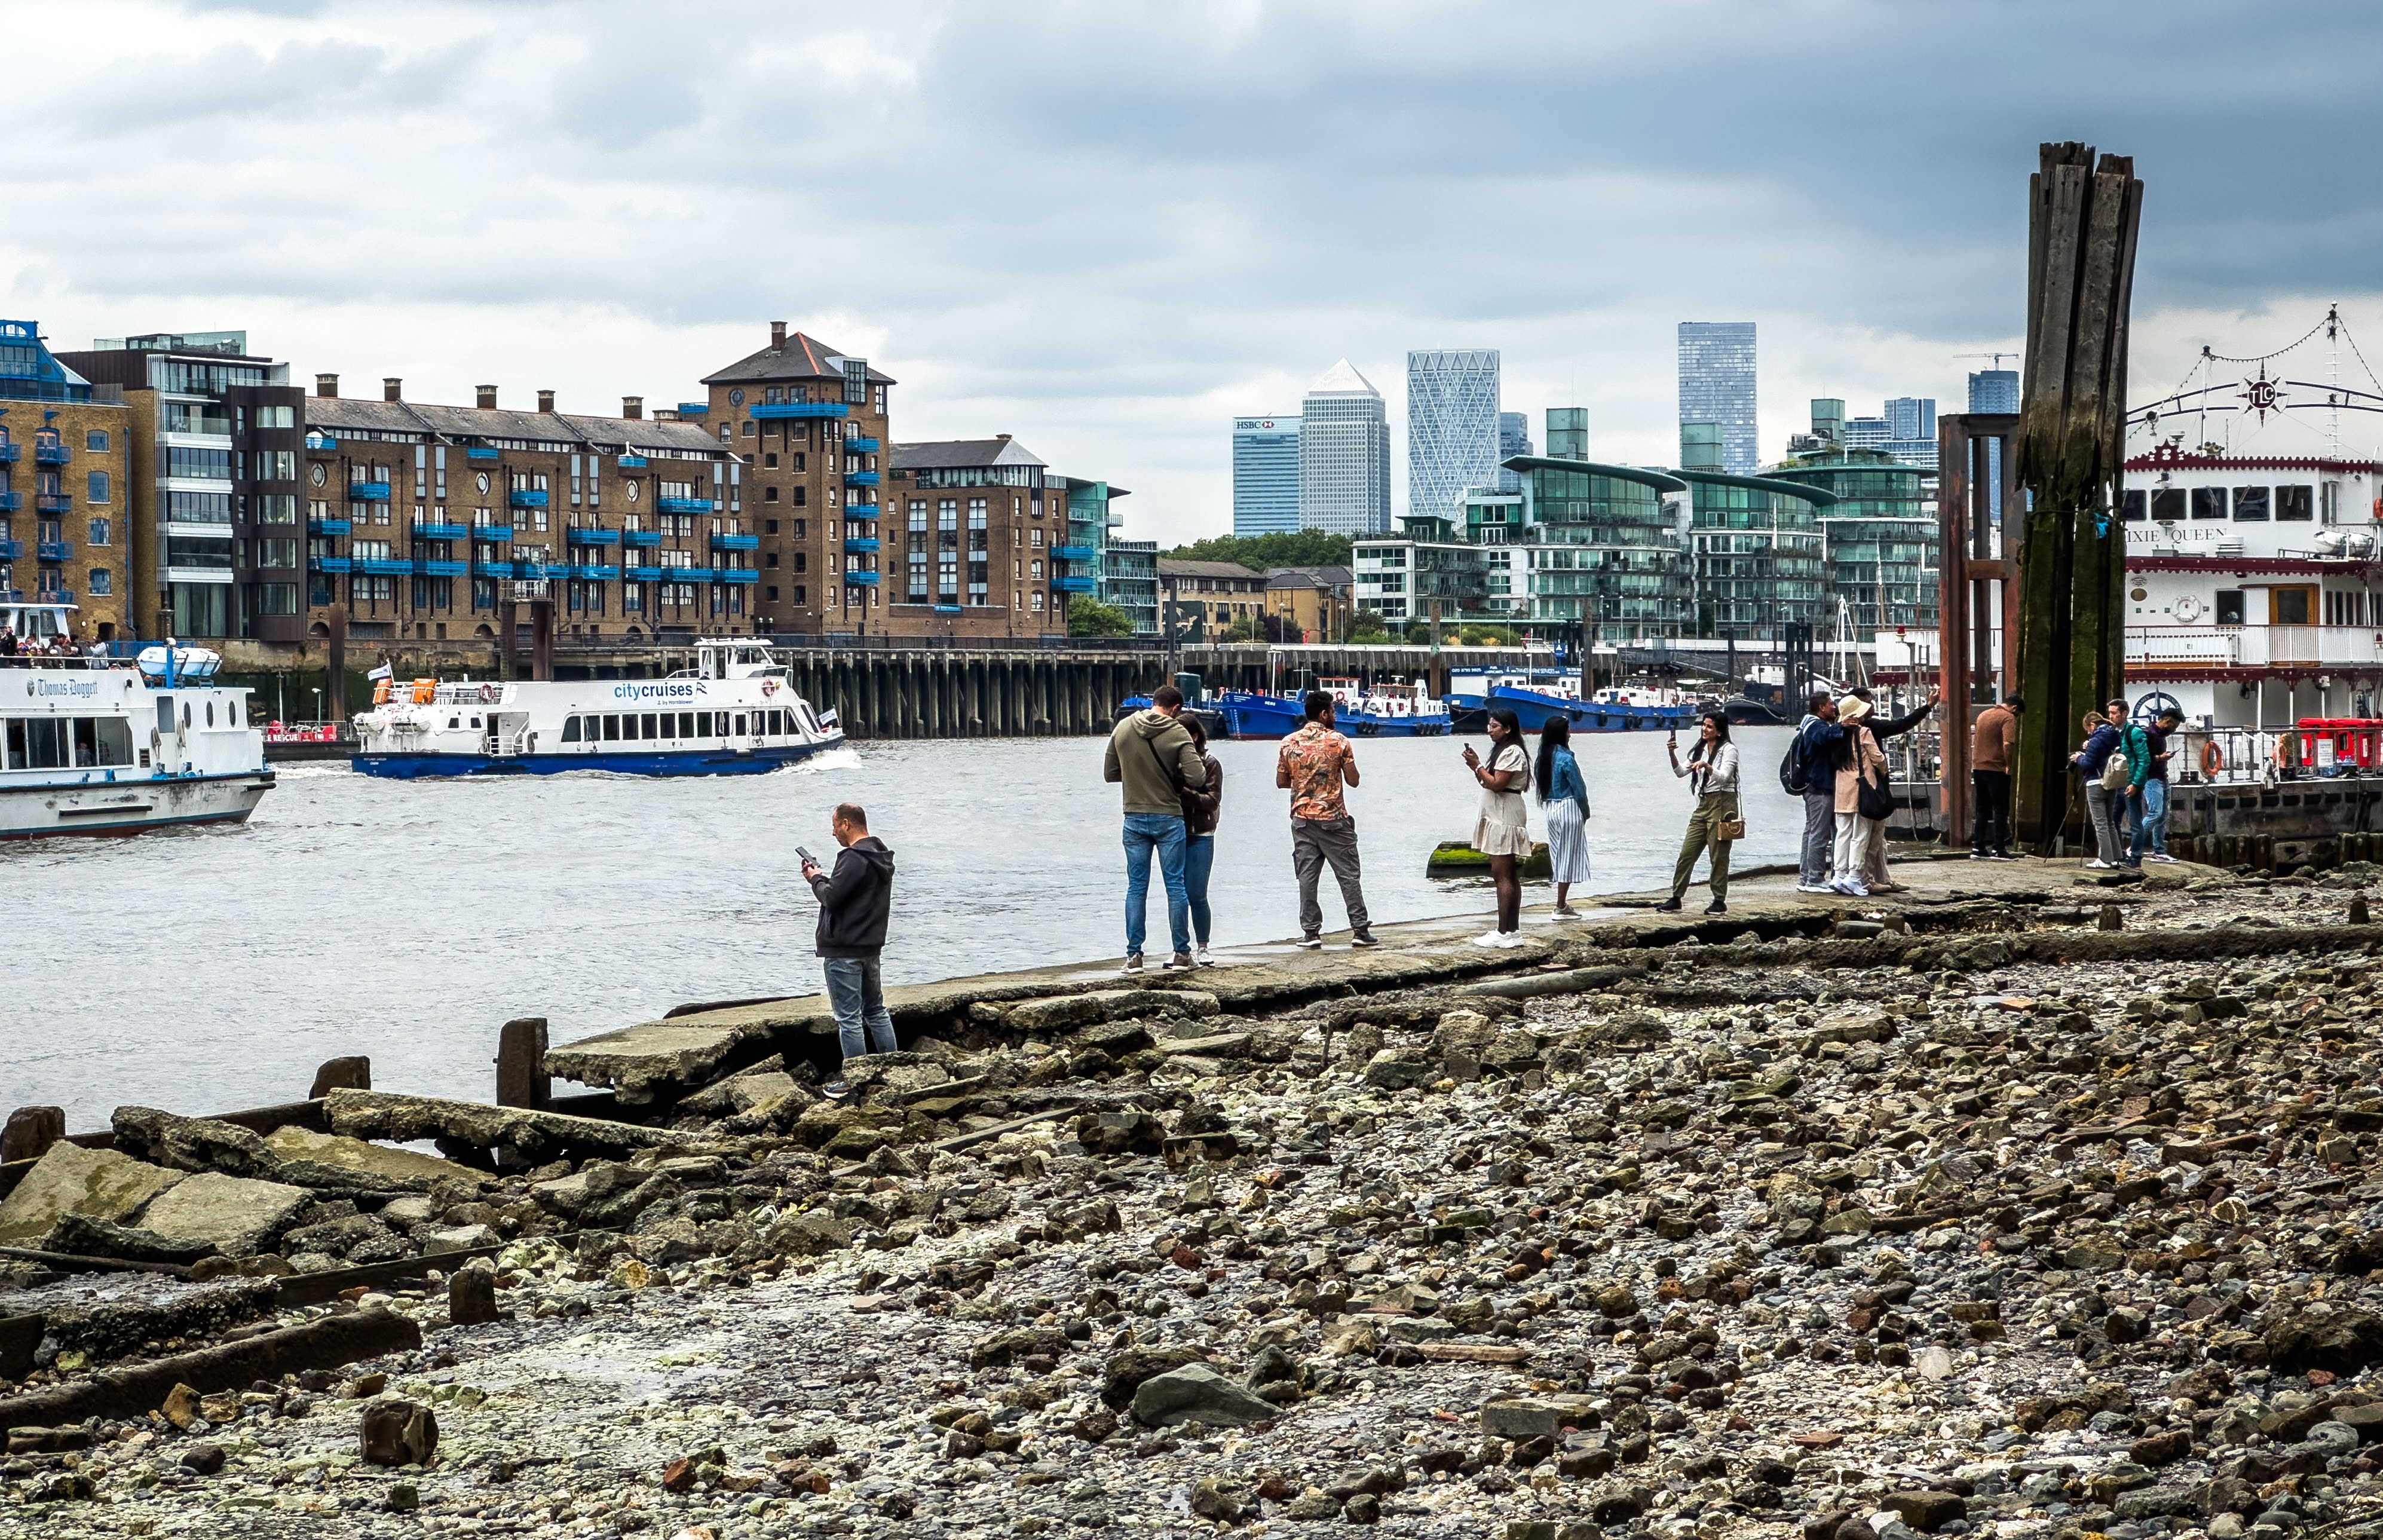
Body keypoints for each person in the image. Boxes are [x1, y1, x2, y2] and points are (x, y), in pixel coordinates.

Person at [1104, 684, 1209, 972]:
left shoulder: (1123, 728)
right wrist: (1172, 775)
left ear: (1154, 702)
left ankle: (1134, 956)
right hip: (1168, 817)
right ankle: (1182, 954)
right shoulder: (1177, 732)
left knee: (1136, 887)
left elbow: (1110, 773)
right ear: (1175, 709)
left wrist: (1138, 775)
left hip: (1134, 816)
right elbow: (1198, 778)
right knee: (1175, 885)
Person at [801, 803, 897, 1098]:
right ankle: (894, 1070)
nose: (833, 833)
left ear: (846, 824)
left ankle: (854, 1081)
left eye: (834, 826)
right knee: (876, 1011)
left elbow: (832, 898)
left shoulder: (853, 857)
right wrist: (825, 880)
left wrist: (815, 879)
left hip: (844, 950)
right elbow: (850, 893)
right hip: (870, 947)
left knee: (849, 1018)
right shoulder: (879, 855)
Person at [1276, 688, 1376, 951]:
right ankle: (1360, 929)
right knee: (1348, 875)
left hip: (1302, 820)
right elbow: (1354, 781)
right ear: (1323, 714)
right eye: (1333, 711)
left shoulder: (1288, 743)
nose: (1335, 715)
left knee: (1307, 878)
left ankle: (1311, 933)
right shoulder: (1339, 742)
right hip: (1334, 820)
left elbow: (1281, 781)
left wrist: (1305, 781)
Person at [1658, 710, 1739, 914]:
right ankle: (1676, 897)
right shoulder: (1699, 750)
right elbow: (1680, 773)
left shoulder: (1729, 750)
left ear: (1719, 731)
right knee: (1687, 853)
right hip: (1702, 805)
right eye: (1703, 725)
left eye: (1709, 726)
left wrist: (1707, 766)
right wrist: (1672, 753)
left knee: (1718, 856)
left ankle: (1719, 900)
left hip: (1723, 804)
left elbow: (1724, 777)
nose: (1704, 729)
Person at [1462, 707, 1532, 945]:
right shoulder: (1505, 750)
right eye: (1489, 726)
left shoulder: (1512, 752)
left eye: (1494, 726)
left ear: (1508, 729)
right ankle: (1512, 931)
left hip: (1504, 815)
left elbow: (1497, 784)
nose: (1489, 730)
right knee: (1509, 875)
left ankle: (1504, 932)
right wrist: (1477, 767)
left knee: (1502, 875)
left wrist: (1477, 765)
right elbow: (1487, 781)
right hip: (1501, 813)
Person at [1791, 690, 1846, 894]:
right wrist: (1843, 726)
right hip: (1820, 787)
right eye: (1830, 703)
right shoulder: (1816, 726)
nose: (1834, 707)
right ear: (1821, 707)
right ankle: (1815, 879)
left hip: (1812, 787)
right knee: (1820, 835)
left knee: (1811, 832)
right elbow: (1825, 737)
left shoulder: (1807, 724)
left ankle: (1806, 877)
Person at [1179, 715, 1224, 966]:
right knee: (1177, 894)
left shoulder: (1210, 763)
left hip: (1201, 834)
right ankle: (1180, 948)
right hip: (1174, 833)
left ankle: (1203, 947)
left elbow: (1212, 801)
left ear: (1194, 737)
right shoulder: (1171, 762)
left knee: (1197, 894)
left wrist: (1184, 792)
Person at [1833, 697, 1889, 896]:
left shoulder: (1836, 735)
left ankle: (1839, 874)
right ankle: (1854, 876)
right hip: (1862, 789)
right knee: (1861, 834)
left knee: (1843, 833)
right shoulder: (1864, 732)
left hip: (1842, 789)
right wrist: (1884, 770)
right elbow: (1878, 758)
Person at [1536, 715, 1590, 916]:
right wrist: (1586, 812)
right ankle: (1560, 906)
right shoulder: (1566, 759)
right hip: (1569, 807)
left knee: (1558, 856)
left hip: (1551, 809)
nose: (1570, 734)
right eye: (1567, 730)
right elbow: (1579, 788)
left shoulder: (1543, 758)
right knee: (1568, 856)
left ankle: (1561, 904)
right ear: (1561, 734)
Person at [2070, 700, 2127, 869]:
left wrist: (2078, 758)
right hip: (2111, 783)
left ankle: (2105, 860)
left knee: (2101, 823)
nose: (2089, 733)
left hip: (2096, 783)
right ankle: (2116, 857)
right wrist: (2089, 747)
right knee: (2110, 822)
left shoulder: (2096, 740)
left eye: (2088, 730)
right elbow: (2103, 755)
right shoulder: (2114, 735)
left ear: (2092, 725)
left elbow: (2089, 764)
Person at [2125, 706, 2182, 867]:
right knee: (2155, 813)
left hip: (2162, 777)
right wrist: (2159, 758)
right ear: (2167, 721)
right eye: (2174, 726)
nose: (2174, 730)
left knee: (2162, 816)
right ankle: (2133, 847)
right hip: (2151, 779)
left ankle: (2159, 851)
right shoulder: (2148, 734)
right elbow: (2142, 757)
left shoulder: (2161, 737)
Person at [1970, 694, 2021, 859]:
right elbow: (2007, 744)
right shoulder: (2008, 717)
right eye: (2018, 714)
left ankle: (1978, 847)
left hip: (1978, 767)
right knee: (2000, 809)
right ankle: (1999, 849)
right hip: (1996, 769)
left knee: (1982, 809)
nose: (2016, 717)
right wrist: (2008, 765)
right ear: (2014, 708)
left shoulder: (1984, 715)